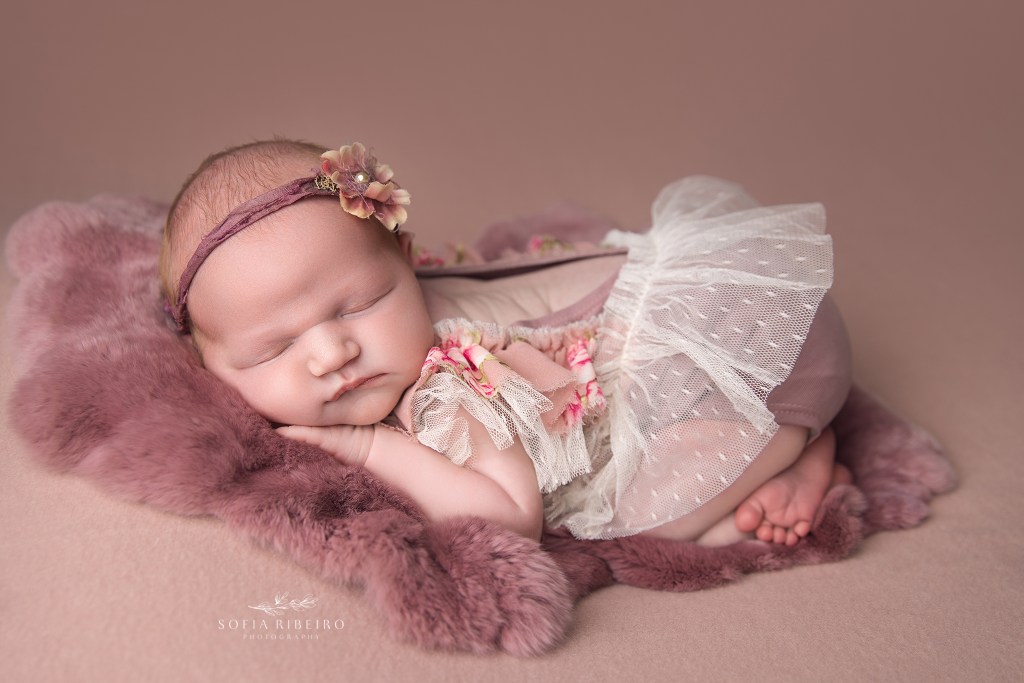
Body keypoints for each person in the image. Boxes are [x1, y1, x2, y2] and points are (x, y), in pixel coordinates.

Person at [160, 139, 852, 547]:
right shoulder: (366, 321)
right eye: (272, 349)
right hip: (724, 306)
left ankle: (797, 442)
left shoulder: (451, 382)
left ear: (407, 257)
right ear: (205, 361)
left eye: (362, 303)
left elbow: (511, 515)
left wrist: (370, 446)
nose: (331, 353)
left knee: (647, 519)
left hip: (751, 343)